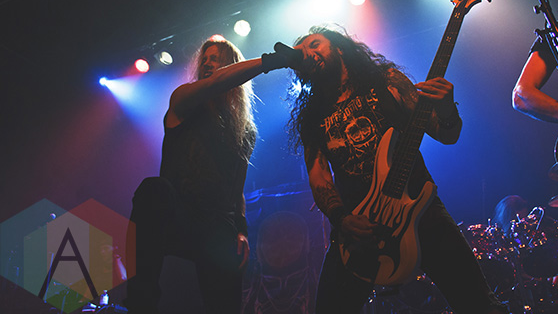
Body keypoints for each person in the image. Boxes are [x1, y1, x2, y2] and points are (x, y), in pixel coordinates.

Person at [283, 26, 507, 314]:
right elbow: (319, 176)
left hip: (420, 211)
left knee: (479, 305)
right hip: (359, 228)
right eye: (302, 52)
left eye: (315, 44)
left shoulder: (386, 81)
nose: (309, 53)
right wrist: (342, 219)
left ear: (339, 48)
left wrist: (447, 110)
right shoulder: (312, 117)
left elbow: (446, 134)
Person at [124, 37, 299, 314]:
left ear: (231, 65)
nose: (207, 63)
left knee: (225, 297)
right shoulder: (182, 100)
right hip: (178, 216)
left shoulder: (246, 130)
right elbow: (218, 82)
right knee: (153, 189)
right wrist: (270, 62)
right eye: (205, 59)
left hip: (216, 224)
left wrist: (241, 230)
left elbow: (237, 187)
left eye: (215, 58)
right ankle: (139, 304)